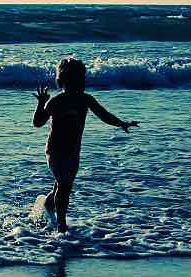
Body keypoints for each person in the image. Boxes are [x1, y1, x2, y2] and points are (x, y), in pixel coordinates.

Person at [32, 57, 138, 233]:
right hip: (55, 151)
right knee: (64, 186)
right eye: (74, 80)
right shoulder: (57, 101)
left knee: (62, 186)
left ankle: (47, 205)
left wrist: (121, 123)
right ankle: (61, 225)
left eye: (80, 80)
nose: (79, 84)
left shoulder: (86, 99)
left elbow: (104, 115)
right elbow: (37, 122)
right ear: (62, 81)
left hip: (73, 152)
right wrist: (41, 103)